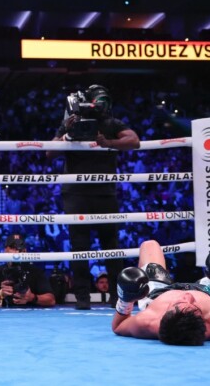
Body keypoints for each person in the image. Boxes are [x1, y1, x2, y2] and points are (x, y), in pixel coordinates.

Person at [47, 85, 140, 310]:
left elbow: (133, 140)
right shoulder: (70, 122)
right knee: (80, 247)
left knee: (112, 246)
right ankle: (82, 298)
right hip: (76, 193)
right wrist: (68, 134)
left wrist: (108, 143)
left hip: (104, 192)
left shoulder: (110, 123)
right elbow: (50, 151)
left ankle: (116, 297)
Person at [112, 240, 210, 345]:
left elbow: (118, 326)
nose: (187, 296)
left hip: (159, 293)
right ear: (204, 319)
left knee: (149, 245)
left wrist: (125, 300)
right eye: (194, 306)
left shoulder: (149, 322)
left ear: (163, 316)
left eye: (177, 304)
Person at [0, 234, 56, 308]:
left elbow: (51, 300)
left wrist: (32, 297)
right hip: (5, 314)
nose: (17, 251)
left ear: (25, 251)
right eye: (13, 248)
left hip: (31, 313)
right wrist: (0, 293)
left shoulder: (35, 271)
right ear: (5, 250)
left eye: (20, 248)